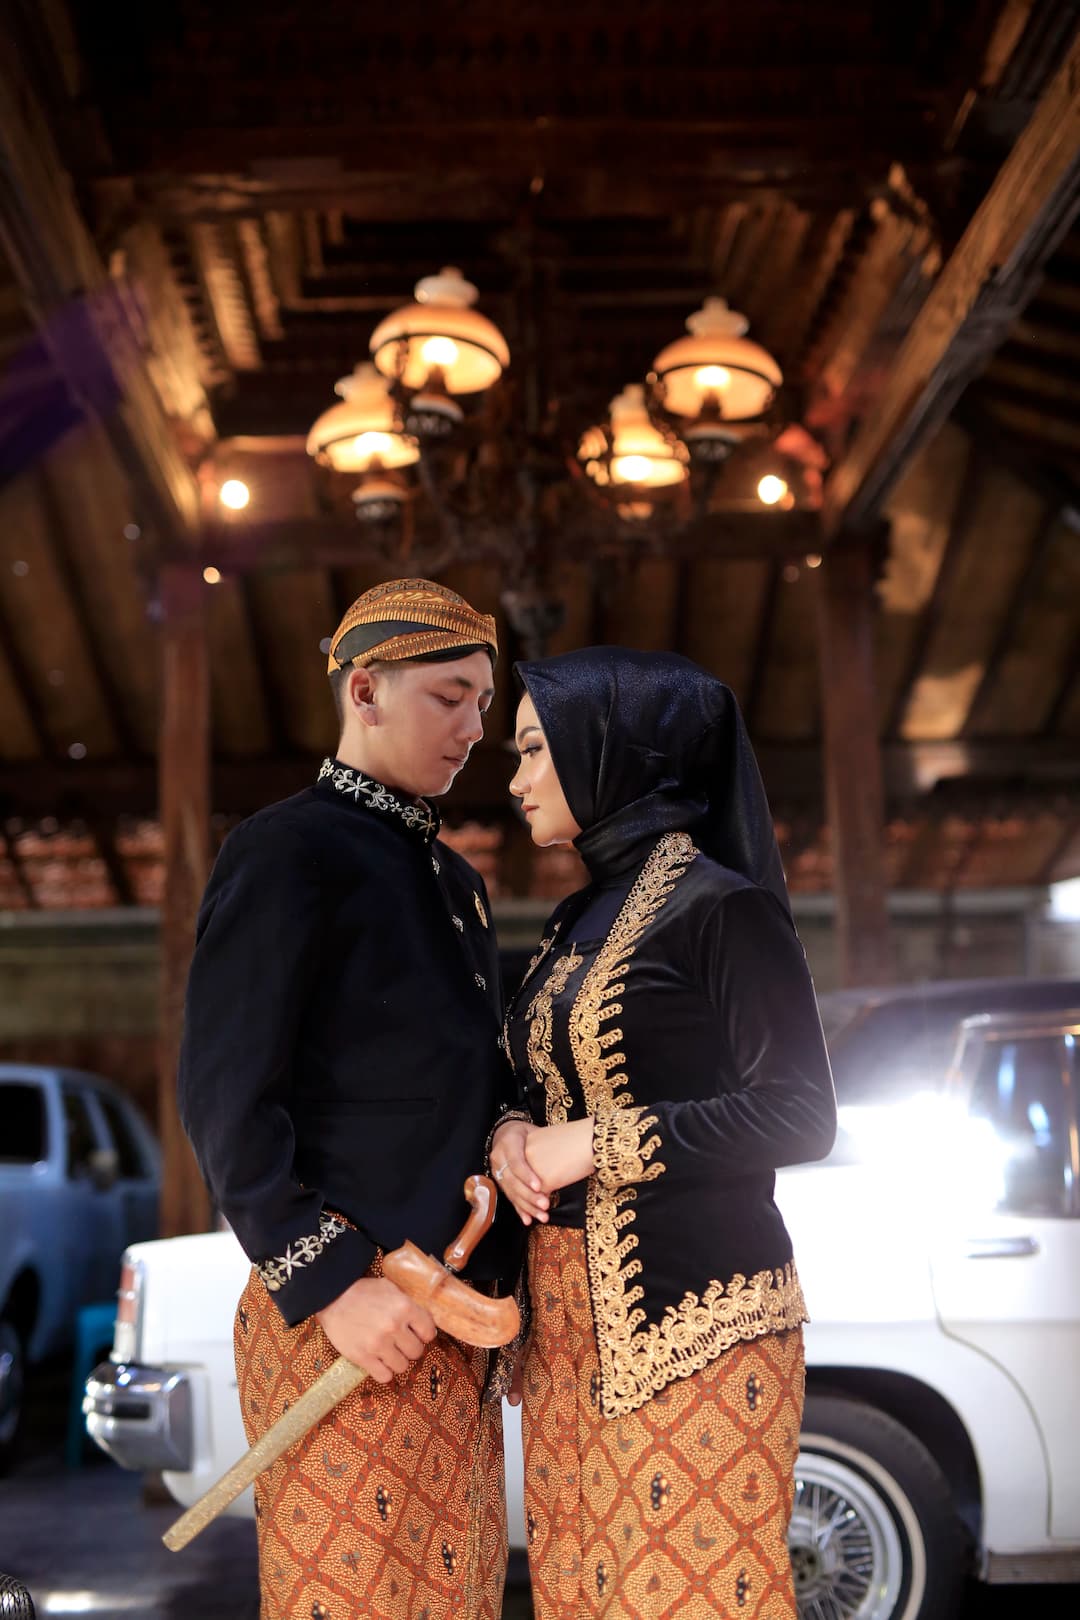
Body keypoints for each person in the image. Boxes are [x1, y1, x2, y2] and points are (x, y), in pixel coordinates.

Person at [178, 577, 521, 1620]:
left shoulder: (456, 885)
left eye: (483, 704)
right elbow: (225, 1098)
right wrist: (333, 1289)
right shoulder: (286, 851)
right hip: (343, 1322)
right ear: (365, 691)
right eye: (449, 697)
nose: (474, 729)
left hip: (445, 1325)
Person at [490, 646, 837, 1620]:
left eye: (533, 749)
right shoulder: (572, 921)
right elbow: (533, 1080)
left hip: (694, 1329)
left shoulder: (722, 907)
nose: (514, 779)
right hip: (566, 1341)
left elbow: (801, 1111)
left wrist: (594, 1144)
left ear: (610, 748)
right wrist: (512, 1130)